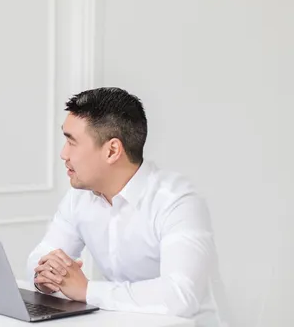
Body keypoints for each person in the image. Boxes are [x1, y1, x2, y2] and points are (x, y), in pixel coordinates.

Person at [26, 87, 227, 326]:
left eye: (72, 142)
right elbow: (40, 257)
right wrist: (44, 277)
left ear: (112, 150)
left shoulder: (177, 201)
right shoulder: (78, 197)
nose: (63, 154)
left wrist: (87, 290)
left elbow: (180, 295)